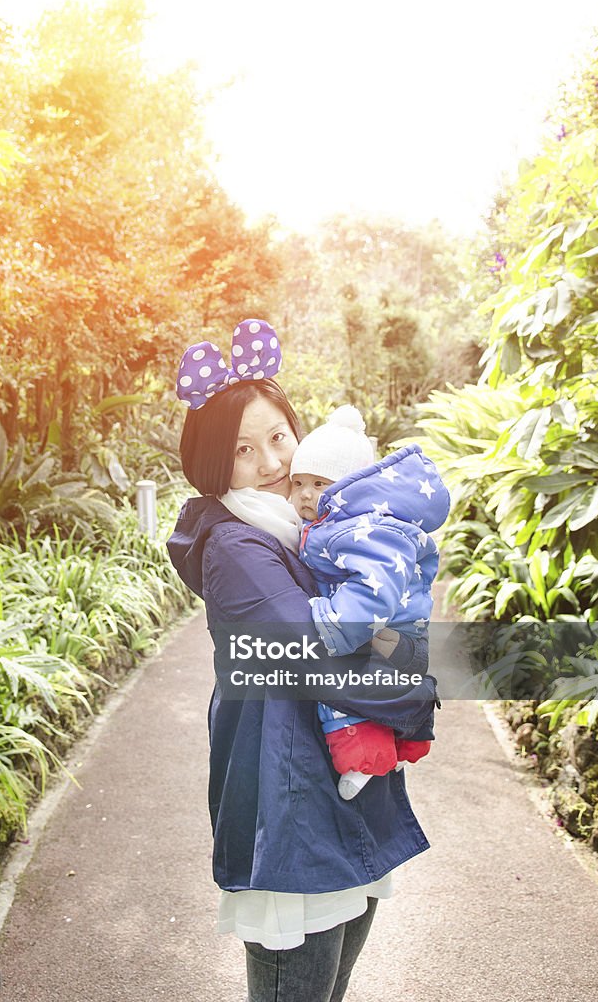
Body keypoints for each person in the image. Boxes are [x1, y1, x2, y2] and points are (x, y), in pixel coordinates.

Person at [166, 319, 440, 1002]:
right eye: (242, 450)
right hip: (287, 801)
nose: (270, 462)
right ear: (211, 464)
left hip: (327, 792)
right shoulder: (236, 545)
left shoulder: (303, 529)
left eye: (278, 436)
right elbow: (311, 658)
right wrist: (412, 693)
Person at [287, 404, 450, 800]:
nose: (307, 494)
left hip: (379, 629)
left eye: (321, 484)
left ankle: (365, 760)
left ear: (348, 488)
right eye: (298, 483)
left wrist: (331, 621)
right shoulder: (345, 523)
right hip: (392, 635)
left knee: (346, 689)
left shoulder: (360, 530)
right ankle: (404, 742)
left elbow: (376, 588)